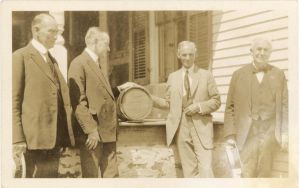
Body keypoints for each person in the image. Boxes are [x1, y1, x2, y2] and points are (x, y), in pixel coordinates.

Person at [12, 13, 75, 178]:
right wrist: (17, 139)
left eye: (57, 32)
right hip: (33, 141)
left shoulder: (51, 60)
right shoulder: (21, 57)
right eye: (51, 31)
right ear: (36, 30)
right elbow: (13, 101)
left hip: (54, 139)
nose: (55, 36)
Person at [68, 27, 135, 178]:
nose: (109, 48)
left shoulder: (95, 63)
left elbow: (100, 93)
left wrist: (119, 88)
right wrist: (91, 130)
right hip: (94, 134)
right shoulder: (78, 63)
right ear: (94, 42)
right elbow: (78, 101)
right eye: (106, 44)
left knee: (112, 176)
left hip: (107, 132)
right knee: (91, 177)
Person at [151, 41, 221, 177]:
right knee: (189, 172)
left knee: (206, 170)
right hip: (181, 127)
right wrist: (149, 99)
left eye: (190, 54)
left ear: (196, 55)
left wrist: (199, 107)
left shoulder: (206, 75)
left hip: (202, 127)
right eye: (184, 55)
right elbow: (168, 103)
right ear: (178, 55)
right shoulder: (172, 77)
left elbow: (216, 101)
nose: (187, 58)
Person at [224, 37, 288, 177]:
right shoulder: (238, 75)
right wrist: (230, 134)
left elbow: (284, 106)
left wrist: (284, 133)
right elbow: (230, 107)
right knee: (247, 172)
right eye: (259, 49)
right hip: (247, 132)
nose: (262, 53)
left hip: (270, 132)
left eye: (266, 50)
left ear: (270, 53)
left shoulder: (278, 74)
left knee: (265, 172)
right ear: (251, 51)